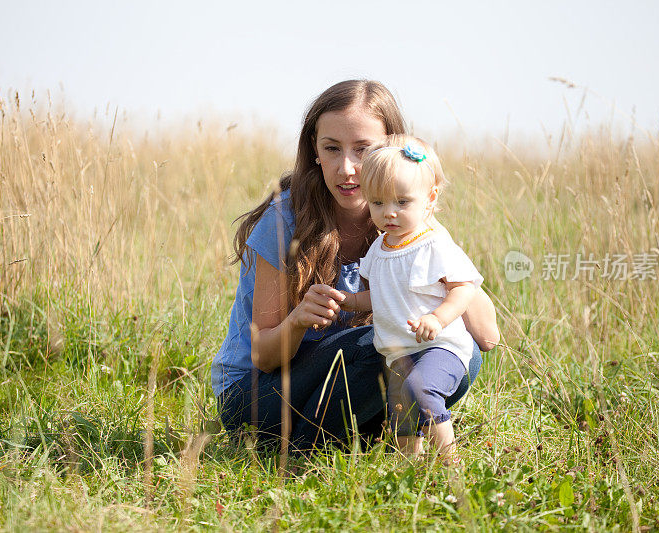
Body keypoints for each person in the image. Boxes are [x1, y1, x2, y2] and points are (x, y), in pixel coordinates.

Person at [210, 80, 499, 452]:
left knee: (460, 354)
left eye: (364, 150)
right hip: (258, 398)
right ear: (314, 150)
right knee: (379, 346)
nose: (347, 169)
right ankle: (302, 451)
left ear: (390, 152)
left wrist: (433, 234)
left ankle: (357, 440)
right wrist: (297, 320)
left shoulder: (406, 222)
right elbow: (263, 357)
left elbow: (486, 336)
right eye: (331, 149)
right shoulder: (284, 220)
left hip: (345, 382)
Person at [340, 134, 482, 462]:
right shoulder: (380, 248)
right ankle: (407, 472)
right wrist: (349, 301)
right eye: (378, 203)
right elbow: (379, 297)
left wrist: (437, 318)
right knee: (401, 416)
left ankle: (450, 466)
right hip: (399, 352)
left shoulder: (434, 244)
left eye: (402, 202)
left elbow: (463, 288)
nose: (389, 213)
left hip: (440, 345)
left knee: (423, 391)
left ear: (429, 199)